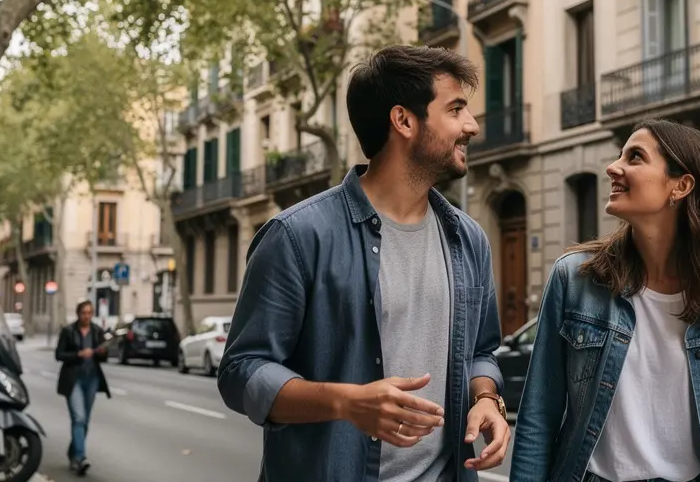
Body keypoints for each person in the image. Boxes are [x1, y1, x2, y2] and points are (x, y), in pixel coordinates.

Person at [218, 45, 511, 481]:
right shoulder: (297, 236)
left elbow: (482, 351)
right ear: (404, 121)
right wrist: (346, 402)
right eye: (456, 109)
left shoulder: (469, 239)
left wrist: (487, 398)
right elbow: (242, 372)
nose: (471, 125)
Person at [510, 119, 700, 482]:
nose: (613, 167)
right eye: (620, 155)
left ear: (681, 185)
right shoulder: (575, 278)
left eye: (634, 157)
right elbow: (539, 413)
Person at [55, 300, 112, 475]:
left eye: (89, 313)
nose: (87, 316)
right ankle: (80, 458)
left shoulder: (97, 331)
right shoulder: (68, 331)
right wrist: (78, 354)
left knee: (84, 420)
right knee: (79, 418)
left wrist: (102, 353)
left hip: (92, 379)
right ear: (78, 314)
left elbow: (104, 358)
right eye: (84, 313)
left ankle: (73, 452)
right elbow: (59, 354)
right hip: (74, 380)